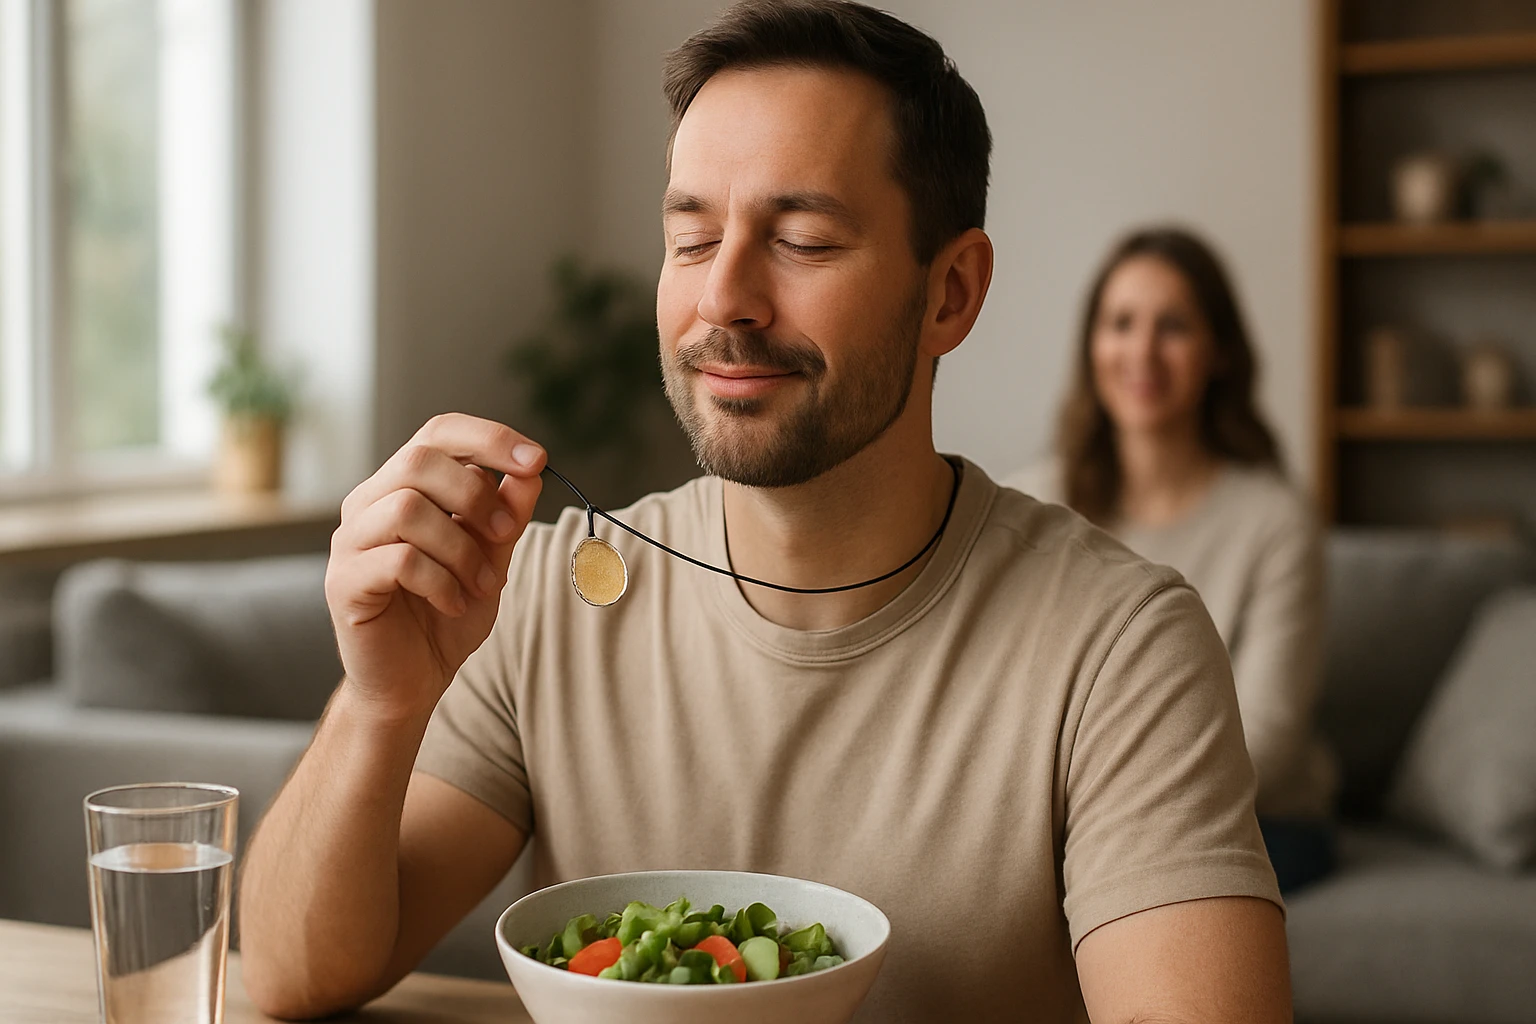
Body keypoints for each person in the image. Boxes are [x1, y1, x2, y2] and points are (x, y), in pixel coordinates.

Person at [239, 4, 1291, 1021]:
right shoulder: (541, 598)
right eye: (692, 239)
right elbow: (293, 974)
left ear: (950, 293)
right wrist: (379, 703)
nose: (724, 298)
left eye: (803, 240)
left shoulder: (1121, 646)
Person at [1006, 226, 1337, 893]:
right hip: (1073, 814)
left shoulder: (1276, 522)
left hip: (1255, 820)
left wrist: (1102, 808)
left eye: (1174, 326)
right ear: (1092, 346)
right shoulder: (1028, 506)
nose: (1142, 352)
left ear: (1219, 352)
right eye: (1121, 324)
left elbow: (1268, 740)